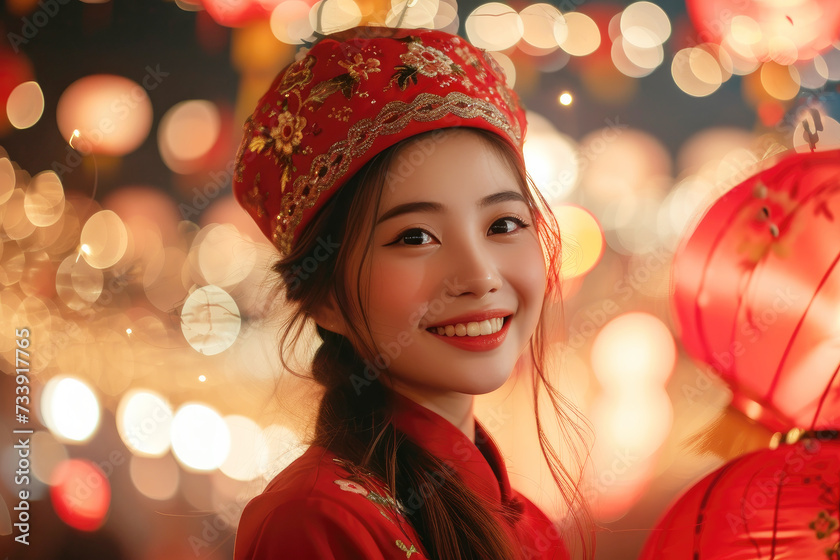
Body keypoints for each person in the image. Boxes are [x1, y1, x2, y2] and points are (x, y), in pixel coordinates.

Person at [231, 25, 592, 560]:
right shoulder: (315, 521)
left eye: (504, 225)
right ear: (324, 298)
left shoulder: (532, 529)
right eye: (415, 237)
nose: (480, 276)